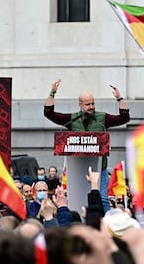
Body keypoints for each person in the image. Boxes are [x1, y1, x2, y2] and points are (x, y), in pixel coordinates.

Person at [44, 79, 130, 212]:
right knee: (79, 198)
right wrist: (52, 93)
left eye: (93, 103)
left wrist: (119, 98)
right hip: (77, 168)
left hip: (99, 167)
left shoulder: (102, 118)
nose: (91, 106)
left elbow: (124, 118)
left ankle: (108, 222)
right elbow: (49, 113)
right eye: (87, 104)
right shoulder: (72, 119)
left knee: (102, 198)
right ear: (80, 104)